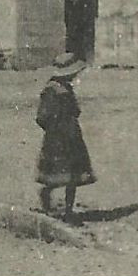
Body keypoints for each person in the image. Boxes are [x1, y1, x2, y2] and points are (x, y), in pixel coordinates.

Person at [35, 52, 95, 222]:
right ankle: (46, 195)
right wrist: (54, 130)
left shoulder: (67, 89)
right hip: (57, 138)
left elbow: (75, 110)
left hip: (72, 136)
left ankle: (69, 210)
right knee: (58, 173)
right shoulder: (50, 91)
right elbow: (42, 116)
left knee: (73, 176)